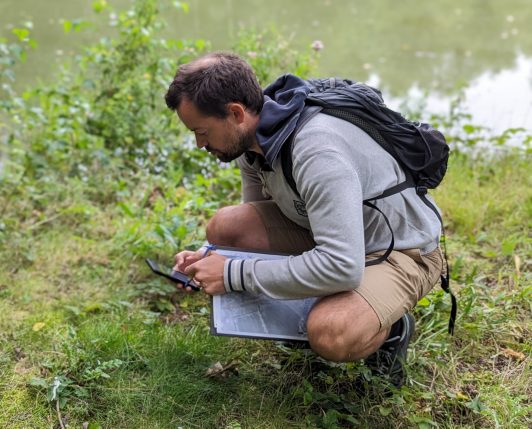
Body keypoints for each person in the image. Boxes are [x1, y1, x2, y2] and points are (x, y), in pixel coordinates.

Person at [164, 52, 446, 386]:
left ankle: (390, 331)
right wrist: (209, 262)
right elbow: (257, 245)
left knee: (330, 332)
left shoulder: (316, 151)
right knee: (228, 228)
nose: (199, 143)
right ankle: (328, 301)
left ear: (236, 113)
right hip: (326, 231)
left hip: (400, 250)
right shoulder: (253, 141)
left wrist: (230, 272)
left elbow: (342, 265)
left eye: (201, 131)